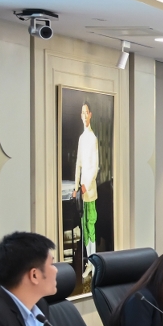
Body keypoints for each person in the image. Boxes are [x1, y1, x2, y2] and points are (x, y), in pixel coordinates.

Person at [72, 101, 101, 269]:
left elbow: (94, 167)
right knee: (84, 226)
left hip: (90, 190)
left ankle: (93, 263)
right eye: (82, 113)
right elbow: (79, 164)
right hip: (82, 191)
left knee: (91, 223)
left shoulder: (93, 138)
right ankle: (88, 263)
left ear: (90, 115)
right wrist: (76, 187)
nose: (84, 115)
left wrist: (86, 186)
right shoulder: (82, 138)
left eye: (87, 112)